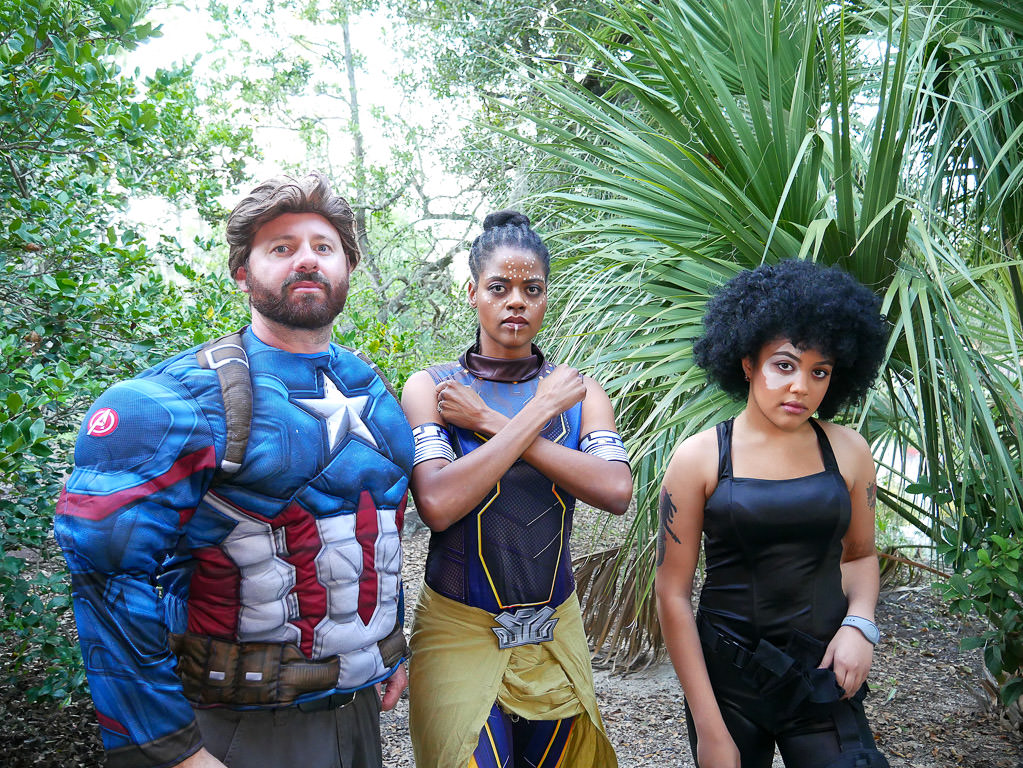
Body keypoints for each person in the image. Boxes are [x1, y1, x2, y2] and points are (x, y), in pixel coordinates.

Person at [54, 172, 413, 768]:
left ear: (346, 267)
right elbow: (107, 580)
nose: (307, 260)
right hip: (235, 728)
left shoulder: (371, 389)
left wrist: (389, 651)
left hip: (358, 715)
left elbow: (378, 536)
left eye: (324, 248)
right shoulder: (176, 400)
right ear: (243, 273)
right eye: (281, 247)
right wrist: (171, 750)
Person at [401, 210, 633, 767]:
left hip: (554, 629)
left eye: (532, 289)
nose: (516, 301)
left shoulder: (577, 392)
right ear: (472, 292)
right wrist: (541, 412)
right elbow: (437, 503)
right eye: (499, 287)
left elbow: (616, 490)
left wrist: (494, 420)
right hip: (459, 629)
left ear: (546, 297)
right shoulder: (432, 386)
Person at [655, 259, 891, 768]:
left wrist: (860, 625)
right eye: (784, 364)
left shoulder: (849, 451)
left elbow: (860, 556)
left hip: (823, 671)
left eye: (819, 371)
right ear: (746, 362)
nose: (801, 387)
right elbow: (671, 594)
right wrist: (710, 730)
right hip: (731, 683)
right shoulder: (698, 458)